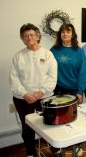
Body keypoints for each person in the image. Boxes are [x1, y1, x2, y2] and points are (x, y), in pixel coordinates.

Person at [9, 23, 57, 157]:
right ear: (22, 39)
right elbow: (14, 79)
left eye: (31, 34)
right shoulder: (18, 57)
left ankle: (55, 149)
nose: (29, 37)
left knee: (50, 125)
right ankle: (31, 152)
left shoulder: (48, 54)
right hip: (23, 99)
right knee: (27, 128)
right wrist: (25, 94)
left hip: (45, 97)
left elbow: (52, 77)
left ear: (38, 36)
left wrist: (41, 92)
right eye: (25, 36)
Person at [50, 23, 86, 103]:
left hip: (74, 90)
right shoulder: (53, 50)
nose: (65, 34)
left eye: (68, 32)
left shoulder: (79, 51)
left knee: (73, 114)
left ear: (72, 34)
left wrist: (80, 92)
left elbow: (83, 73)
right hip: (58, 89)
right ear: (60, 34)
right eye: (63, 32)